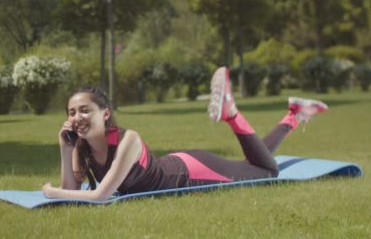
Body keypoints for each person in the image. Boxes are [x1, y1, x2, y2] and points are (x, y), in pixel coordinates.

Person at [42, 67, 328, 201]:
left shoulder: (128, 140)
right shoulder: (82, 147)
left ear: (105, 113)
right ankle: (294, 114)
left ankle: (232, 114)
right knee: (253, 164)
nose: (76, 118)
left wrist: (52, 193)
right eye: (71, 112)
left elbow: (101, 195)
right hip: (177, 163)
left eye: (84, 110)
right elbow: (73, 186)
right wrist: (65, 150)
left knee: (267, 172)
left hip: (191, 171)